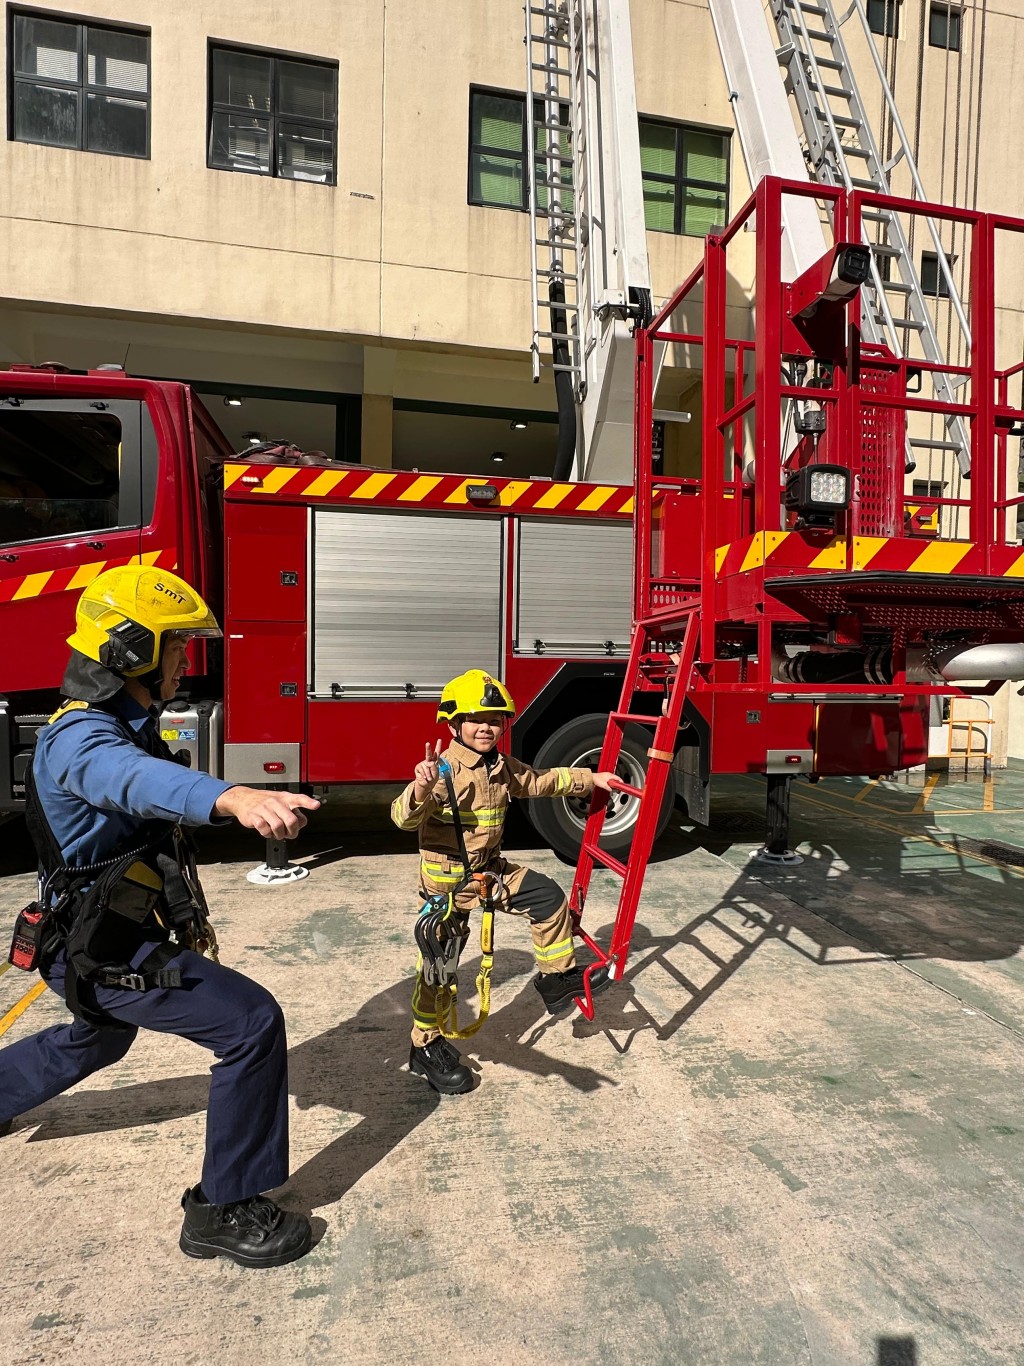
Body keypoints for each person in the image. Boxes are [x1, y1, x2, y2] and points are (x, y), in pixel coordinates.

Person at [0, 566, 320, 1269]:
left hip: (104, 933)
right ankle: (221, 1209)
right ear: (129, 650)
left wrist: (186, 917)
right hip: (96, 944)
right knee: (251, 1023)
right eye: (175, 646)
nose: (185, 660)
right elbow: (138, 783)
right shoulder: (81, 740)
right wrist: (231, 797)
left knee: (101, 1038)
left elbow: (149, 828)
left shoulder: (122, 725)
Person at [391, 668, 617, 1095]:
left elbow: (539, 781)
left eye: (495, 719)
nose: (487, 727)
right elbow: (403, 818)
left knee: (548, 897)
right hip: (449, 889)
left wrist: (592, 779)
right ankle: (425, 1047)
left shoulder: (501, 766)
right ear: (454, 724)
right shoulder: (441, 771)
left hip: (491, 872)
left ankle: (554, 980)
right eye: (477, 718)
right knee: (440, 969)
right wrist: (420, 789)